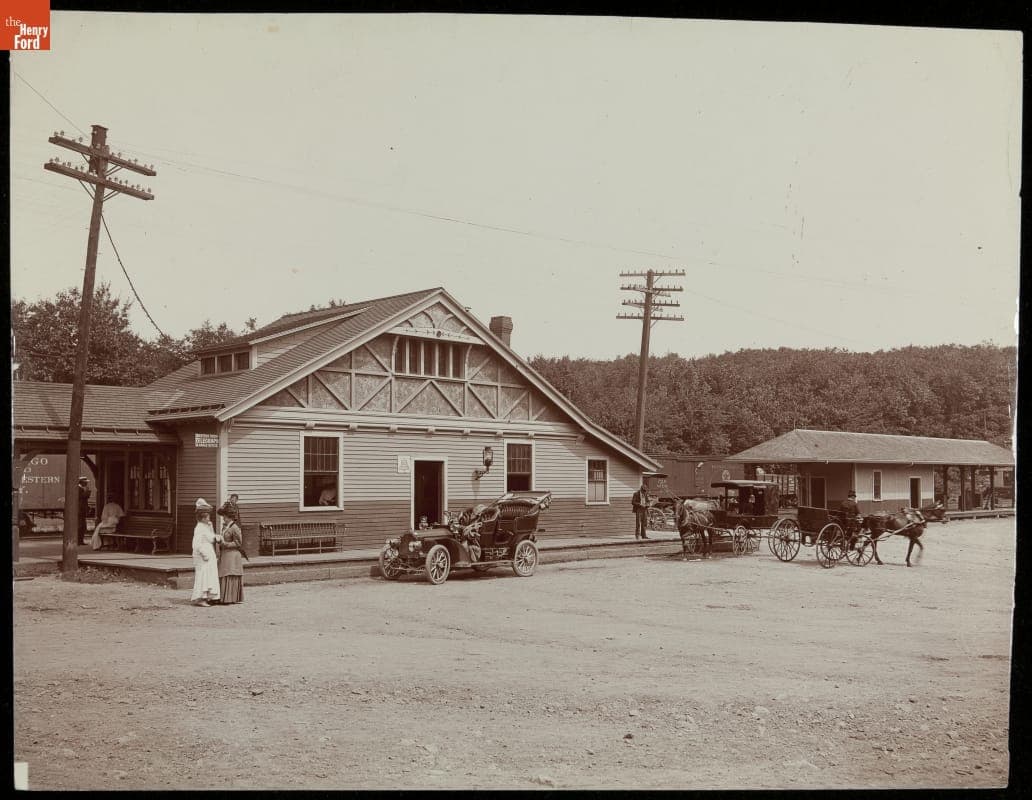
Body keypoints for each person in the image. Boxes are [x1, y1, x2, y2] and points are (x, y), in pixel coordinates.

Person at [191, 498, 222, 607]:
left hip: (209, 552)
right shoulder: (199, 528)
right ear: (203, 518)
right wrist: (204, 555)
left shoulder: (206, 526)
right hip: (203, 555)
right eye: (207, 517)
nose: (209, 518)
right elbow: (197, 544)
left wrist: (215, 534)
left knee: (209, 575)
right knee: (202, 575)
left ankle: (208, 596)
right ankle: (200, 598)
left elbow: (210, 537)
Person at [216, 512, 246, 604]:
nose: (223, 519)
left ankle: (230, 598)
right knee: (223, 573)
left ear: (230, 518)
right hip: (225, 554)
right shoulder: (225, 527)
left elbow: (238, 543)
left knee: (229, 573)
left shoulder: (235, 528)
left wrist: (225, 544)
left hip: (232, 555)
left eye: (225, 517)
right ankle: (224, 597)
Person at [77, 477, 91, 545]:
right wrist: (87, 491)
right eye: (86, 482)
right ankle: (79, 541)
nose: (87, 484)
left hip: (81, 510)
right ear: (82, 482)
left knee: (82, 526)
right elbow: (84, 496)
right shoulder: (79, 489)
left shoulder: (81, 489)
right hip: (80, 510)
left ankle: (80, 541)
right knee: (80, 526)